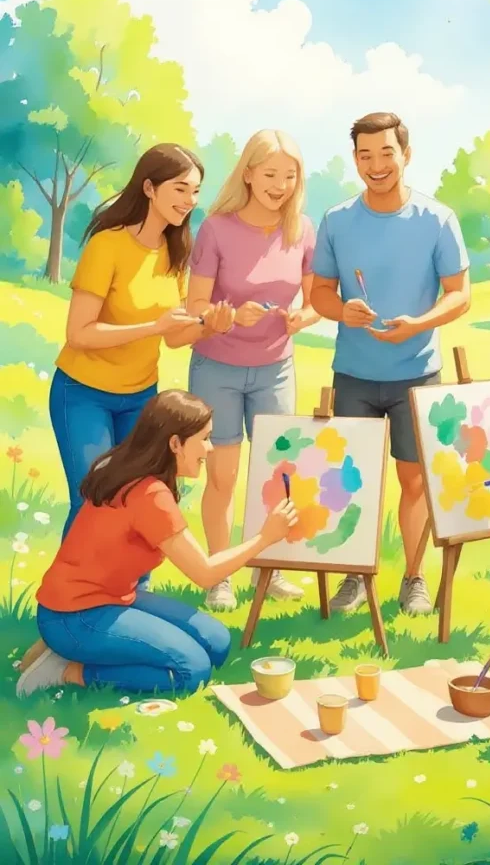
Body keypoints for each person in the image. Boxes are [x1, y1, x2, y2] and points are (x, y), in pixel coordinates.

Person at [16, 390, 297, 698]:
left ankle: (71, 648)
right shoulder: (150, 495)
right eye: (204, 438)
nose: (210, 448)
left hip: (108, 599)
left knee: (216, 642)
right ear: (175, 443)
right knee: (193, 670)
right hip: (76, 614)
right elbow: (204, 574)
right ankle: (68, 671)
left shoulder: (132, 473)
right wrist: (265, 537)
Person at [310, 111, 470, 616]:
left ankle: (414, 578)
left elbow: (460, 295)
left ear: (406, 153)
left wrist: (419, 324)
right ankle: (356, 578)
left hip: (416, 374)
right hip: (354, 373)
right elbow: (318, 293)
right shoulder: (337, 220)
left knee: (415, 481)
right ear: (355, 159)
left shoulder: (437, 219)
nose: (376, 165)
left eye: (386, 153)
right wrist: (344, 312)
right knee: (351, 480)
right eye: (365, 155)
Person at [50, 144, 233, 541]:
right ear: (149, 188)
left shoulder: (176, 250)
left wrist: (209, 326)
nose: (190, 201)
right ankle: (66, 600)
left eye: (196, 191)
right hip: (82, 394)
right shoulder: (108, 244)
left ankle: (133, 593)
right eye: (180, 189)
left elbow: (173, 337)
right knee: (91, 499)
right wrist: (153, 326)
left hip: (139, 397)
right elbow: (79, 333)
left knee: (145, 499)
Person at [186, 129, 319, 611]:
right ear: (248, 173)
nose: (280, 184)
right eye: (270, 174)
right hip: (217, 368)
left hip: (275, 369)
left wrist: (305, 314)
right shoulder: (217, 228)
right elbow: (195, 304)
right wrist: (225, 312)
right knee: (221, 477)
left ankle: (272, 568)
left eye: (290, 175)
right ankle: (219, 573)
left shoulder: (302, 229)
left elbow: (314, 296)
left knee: (279, 474)